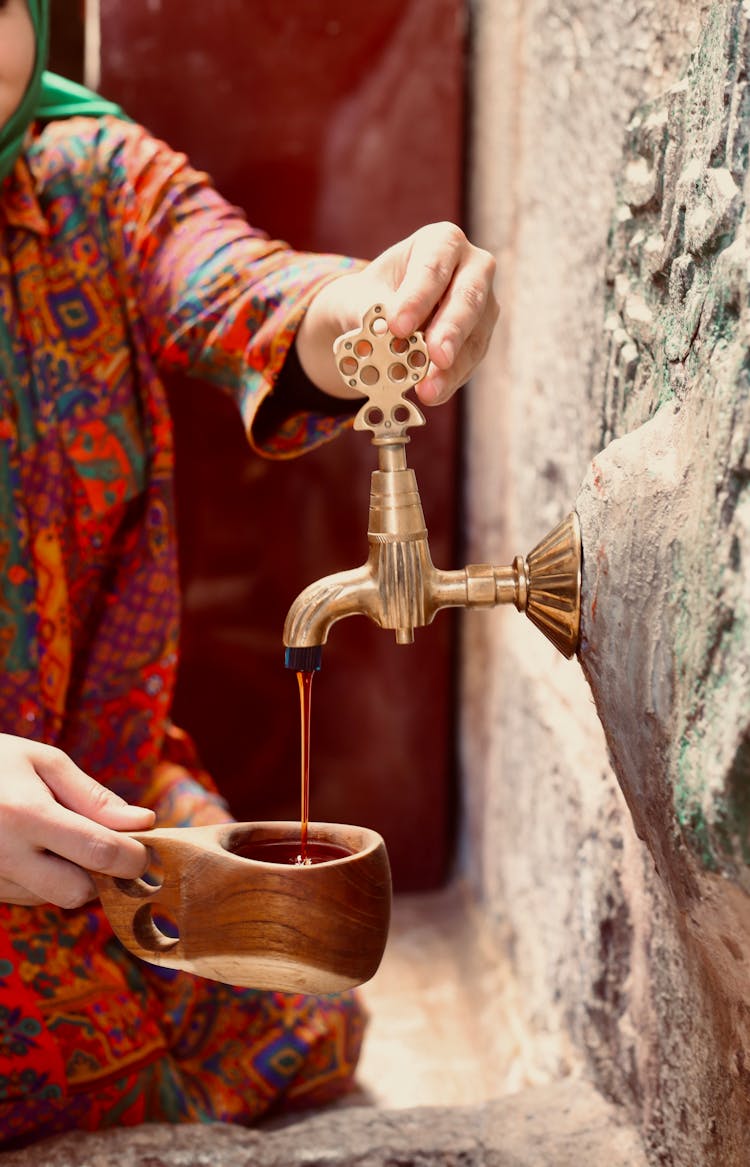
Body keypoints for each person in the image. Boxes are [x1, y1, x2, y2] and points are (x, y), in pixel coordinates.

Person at [0, 0, 499, 1147]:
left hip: (107, 804)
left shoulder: (81, 177)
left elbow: (250, 289)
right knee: (95, 1075)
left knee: (296, 1001)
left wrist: (380, 311)